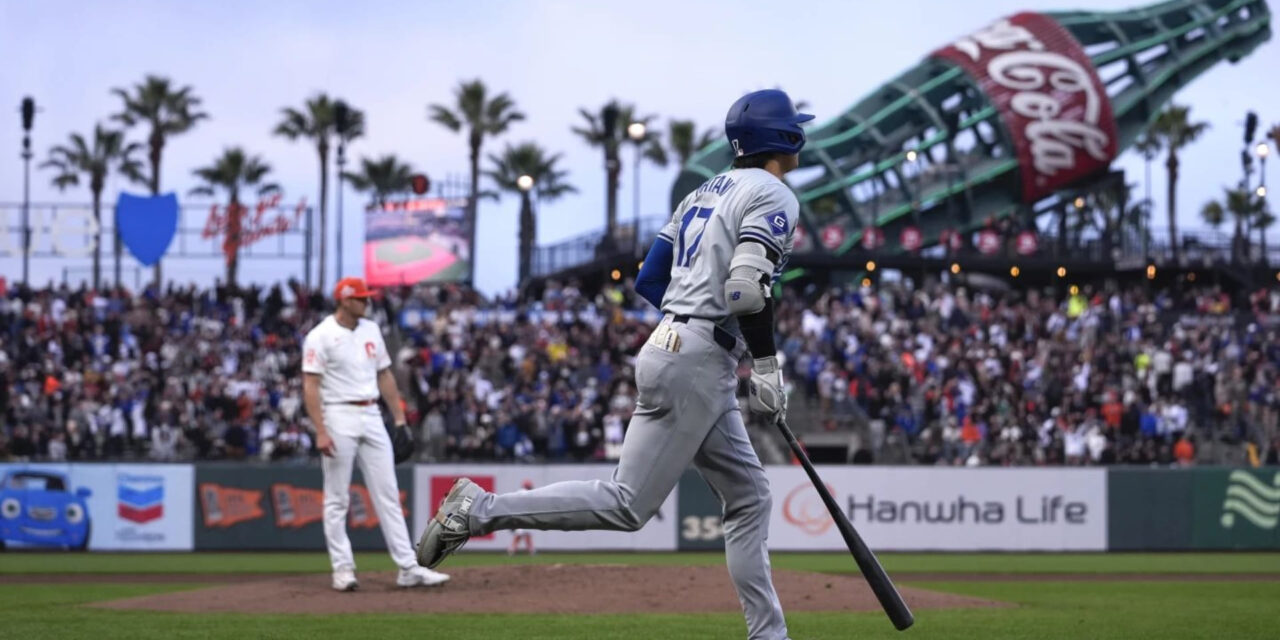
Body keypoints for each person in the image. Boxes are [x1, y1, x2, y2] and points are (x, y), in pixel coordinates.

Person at [417, 89, 809, 640]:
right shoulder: (774, 192)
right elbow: (745, 290)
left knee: (750, 498)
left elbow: (650, 279)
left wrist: (686, 320)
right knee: (628, 505)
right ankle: (477, 509)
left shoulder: (702, 191)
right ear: (784, 137)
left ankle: (769, 635)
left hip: (679, 346)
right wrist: (765, 363)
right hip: (696, 358)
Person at [302, 277, 449, 592]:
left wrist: (399, 420)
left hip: (371, 413)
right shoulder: (320, 336)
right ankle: (342, 569)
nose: (367, 303)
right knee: (337, 497)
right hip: (338, 413)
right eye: (361, 299)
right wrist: (321, 430)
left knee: (389, 494)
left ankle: (409, 568)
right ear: (344, 300)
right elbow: (310, 386)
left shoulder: (371, 330)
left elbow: (384, 375)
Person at [508, 480, 536, 556]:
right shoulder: (525, 492)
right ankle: (513, 551)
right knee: (522, 536)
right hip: (523, 517)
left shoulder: (520, 492)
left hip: (520, 517)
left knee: (522, 536)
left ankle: (512, 551)